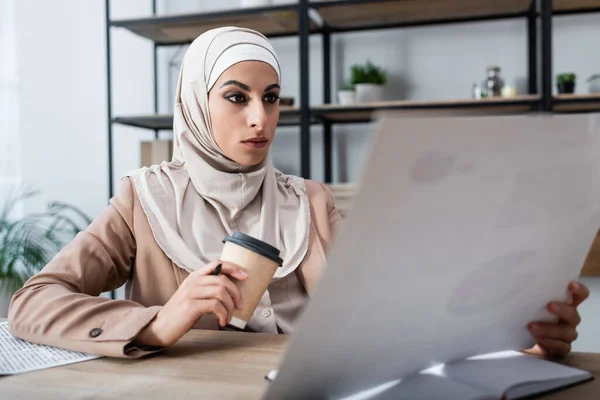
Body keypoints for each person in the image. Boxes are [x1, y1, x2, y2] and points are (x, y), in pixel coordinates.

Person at [8, 27, 588, 359]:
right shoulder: (143, 200)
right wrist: (156, 323)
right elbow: (30, 303)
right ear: (194, 101)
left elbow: (383, 327)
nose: (261, 118)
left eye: (273, 97)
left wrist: (528, 344)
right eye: (236, 97)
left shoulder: (308, 201)